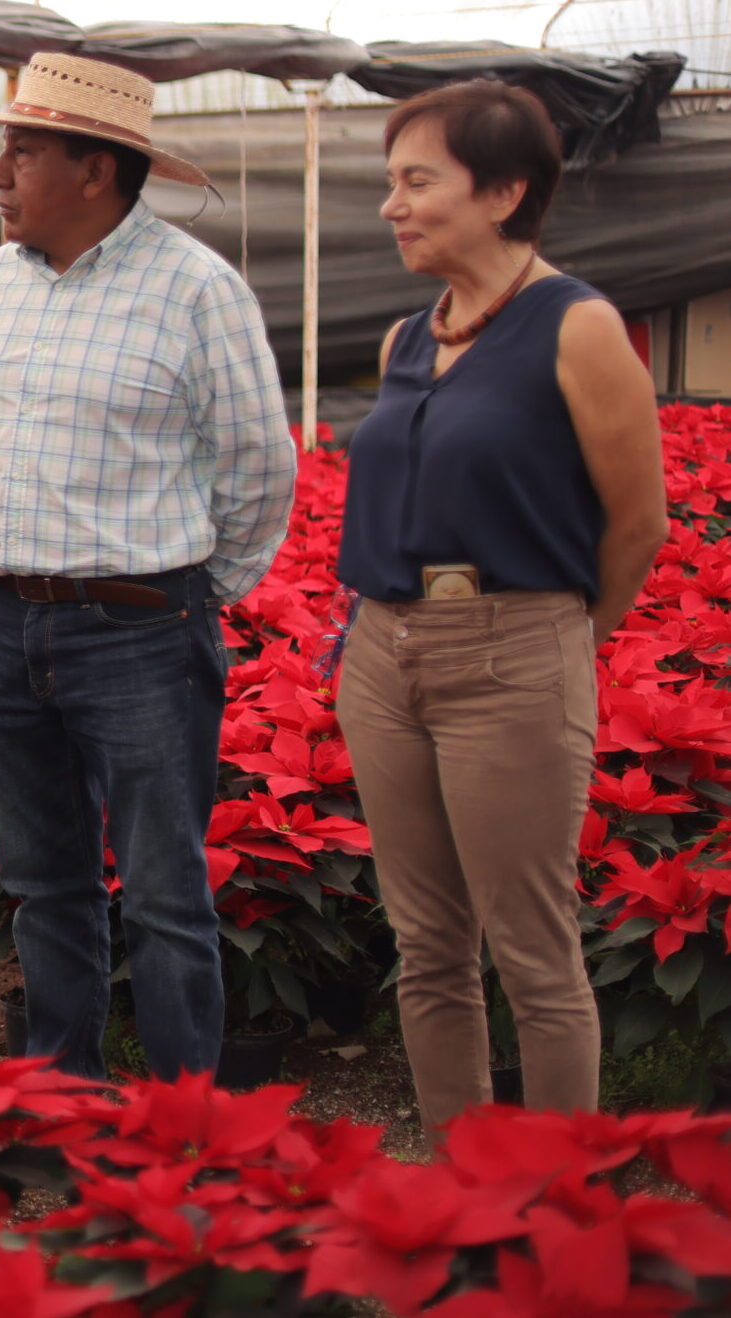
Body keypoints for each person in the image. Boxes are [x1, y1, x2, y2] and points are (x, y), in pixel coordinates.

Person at [0, 54, 297, 1080]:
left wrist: (191, 593)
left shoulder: (195, 290)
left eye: (22, 151)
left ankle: (184, 1106)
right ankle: (63, 1086)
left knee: (162, 889)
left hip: (141, 625)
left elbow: (258, 464)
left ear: (95, 171)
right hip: (9, 621)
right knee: (41, 878)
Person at [335, 81, 665, 1128]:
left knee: (530, 947)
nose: (392, 205)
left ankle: (555, 1210)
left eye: (416, 181)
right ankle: (460, 1187)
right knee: (427, 943)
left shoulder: (577, 326)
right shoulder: (405, 340)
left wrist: (557, 638)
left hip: (513, 650)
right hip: (383, 651)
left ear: (505, 190)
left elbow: (638, 522)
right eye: (391, 182)